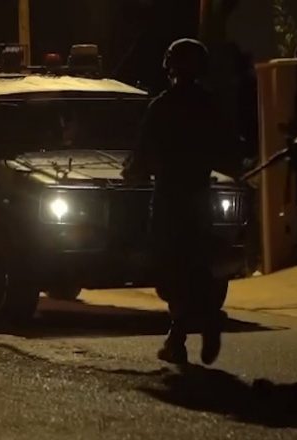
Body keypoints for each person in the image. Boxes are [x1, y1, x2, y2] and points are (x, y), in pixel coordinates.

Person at [123, 39, 233, 365]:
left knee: (168, 269)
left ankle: (185, 332)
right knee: (195, 264)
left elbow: (142, 153)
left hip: (169, 199)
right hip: (200, 197)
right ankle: (187, 331)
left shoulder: (162, 106)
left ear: (170, 67)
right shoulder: (210, 105)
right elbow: (228, 147)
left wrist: (133, 172)